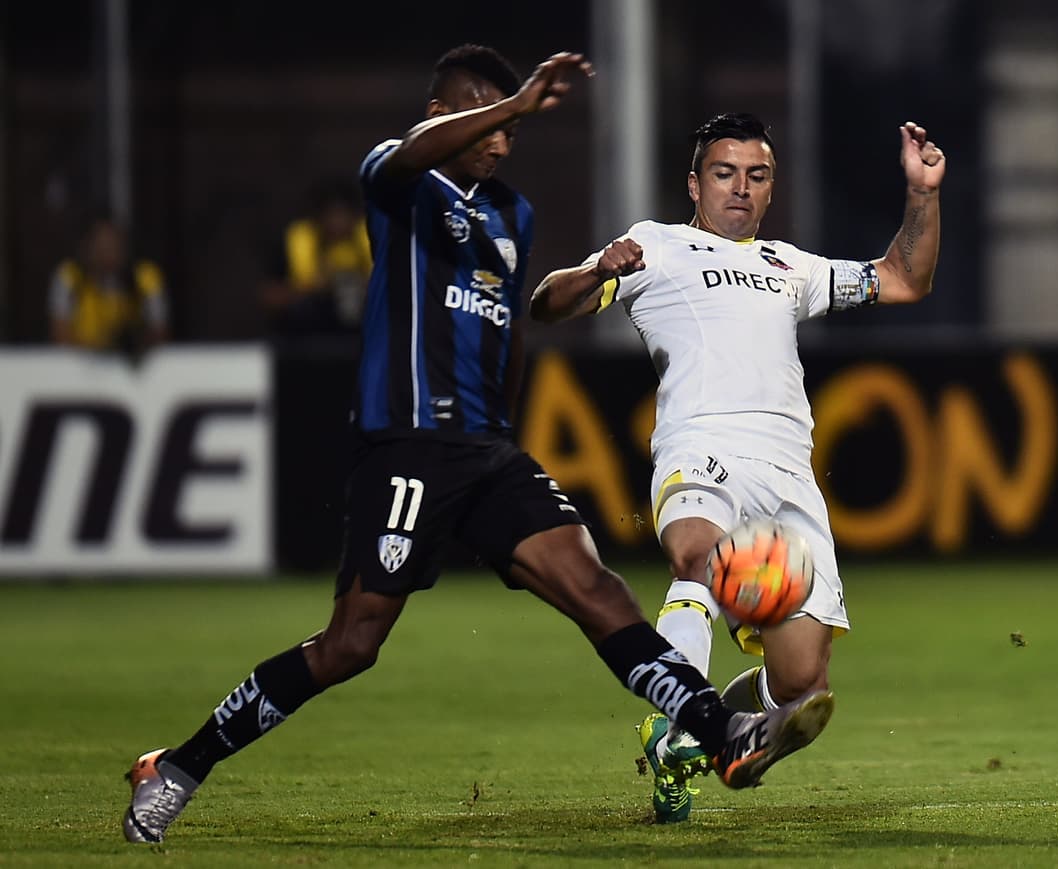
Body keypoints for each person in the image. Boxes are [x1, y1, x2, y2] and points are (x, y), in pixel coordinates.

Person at [121, 50, 834, 844]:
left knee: (598, 592)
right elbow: (417, 152)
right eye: (481, 114)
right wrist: (520, 100)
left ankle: (716, 730)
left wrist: (507, 429)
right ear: (440, 111)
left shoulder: (510, 215)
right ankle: (180, 765)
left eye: (510, 122)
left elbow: (511, 328)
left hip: (488, 451)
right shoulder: (400, 181)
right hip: (408, 449)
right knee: (351, 643)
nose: (500, 137)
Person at [530, 112, 944, 822]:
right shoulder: (657, 246)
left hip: (789, 476)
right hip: (702, 446)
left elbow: (903, 279)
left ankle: (697, 743)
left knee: (804, 684)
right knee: (699, 554)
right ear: (695, 183)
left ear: (771, 187)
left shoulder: (791, 267)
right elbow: (546, 305)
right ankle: (674, 713)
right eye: (725, 174)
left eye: (756, 176)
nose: (740, 189)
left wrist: (923, 195)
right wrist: (600, 268)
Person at [261, 182, 373, 336]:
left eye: (342, 214)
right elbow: (270, 297)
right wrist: (313, 288)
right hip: (308, 339)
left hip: (359, 339)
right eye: (331, 215)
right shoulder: (296, 241)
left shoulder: (371, 239)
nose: (337, 222)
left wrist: (359, 285)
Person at [48, 213, 170, 354]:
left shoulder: (146, 278)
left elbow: (159, 332)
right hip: (81, 364)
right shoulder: (69, 277)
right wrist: (99, 349)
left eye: (113, 247)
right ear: (86, 249)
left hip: (133, 363)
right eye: (101, 248)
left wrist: (134, 345)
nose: (107, 256)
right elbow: (60, 335)